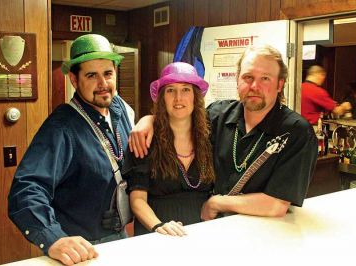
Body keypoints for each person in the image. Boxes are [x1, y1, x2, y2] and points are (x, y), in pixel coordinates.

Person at [129, 45, 318, 220]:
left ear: (279, 84)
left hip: (263, 233)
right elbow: (181, 115)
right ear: (237, 80)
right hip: (211, 229)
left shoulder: (296, 132)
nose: (254, 86)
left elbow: (277, 205)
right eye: (248, 77)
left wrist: (217, 203)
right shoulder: (217, 114)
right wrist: (149, 120)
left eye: (265, 78)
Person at [8, 34, 134, 265]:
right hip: (83, 249)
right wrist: (53, 239)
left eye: (108, 73)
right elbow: (26, 190)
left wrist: (149, 122)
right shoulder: (62, 128)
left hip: (120, 237)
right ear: (74, 81)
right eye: (91, 76)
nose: (103, 84)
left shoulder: (118, 108)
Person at [122, 62, 215, 236]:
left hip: (201, 233)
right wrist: (158, 226)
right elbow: (137, 200)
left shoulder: (210, 136)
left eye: (186, 89)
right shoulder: (145, 140)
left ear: (196, 97)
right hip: (157, 234)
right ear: (162, 98)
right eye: (170, 90)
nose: (178, 98)